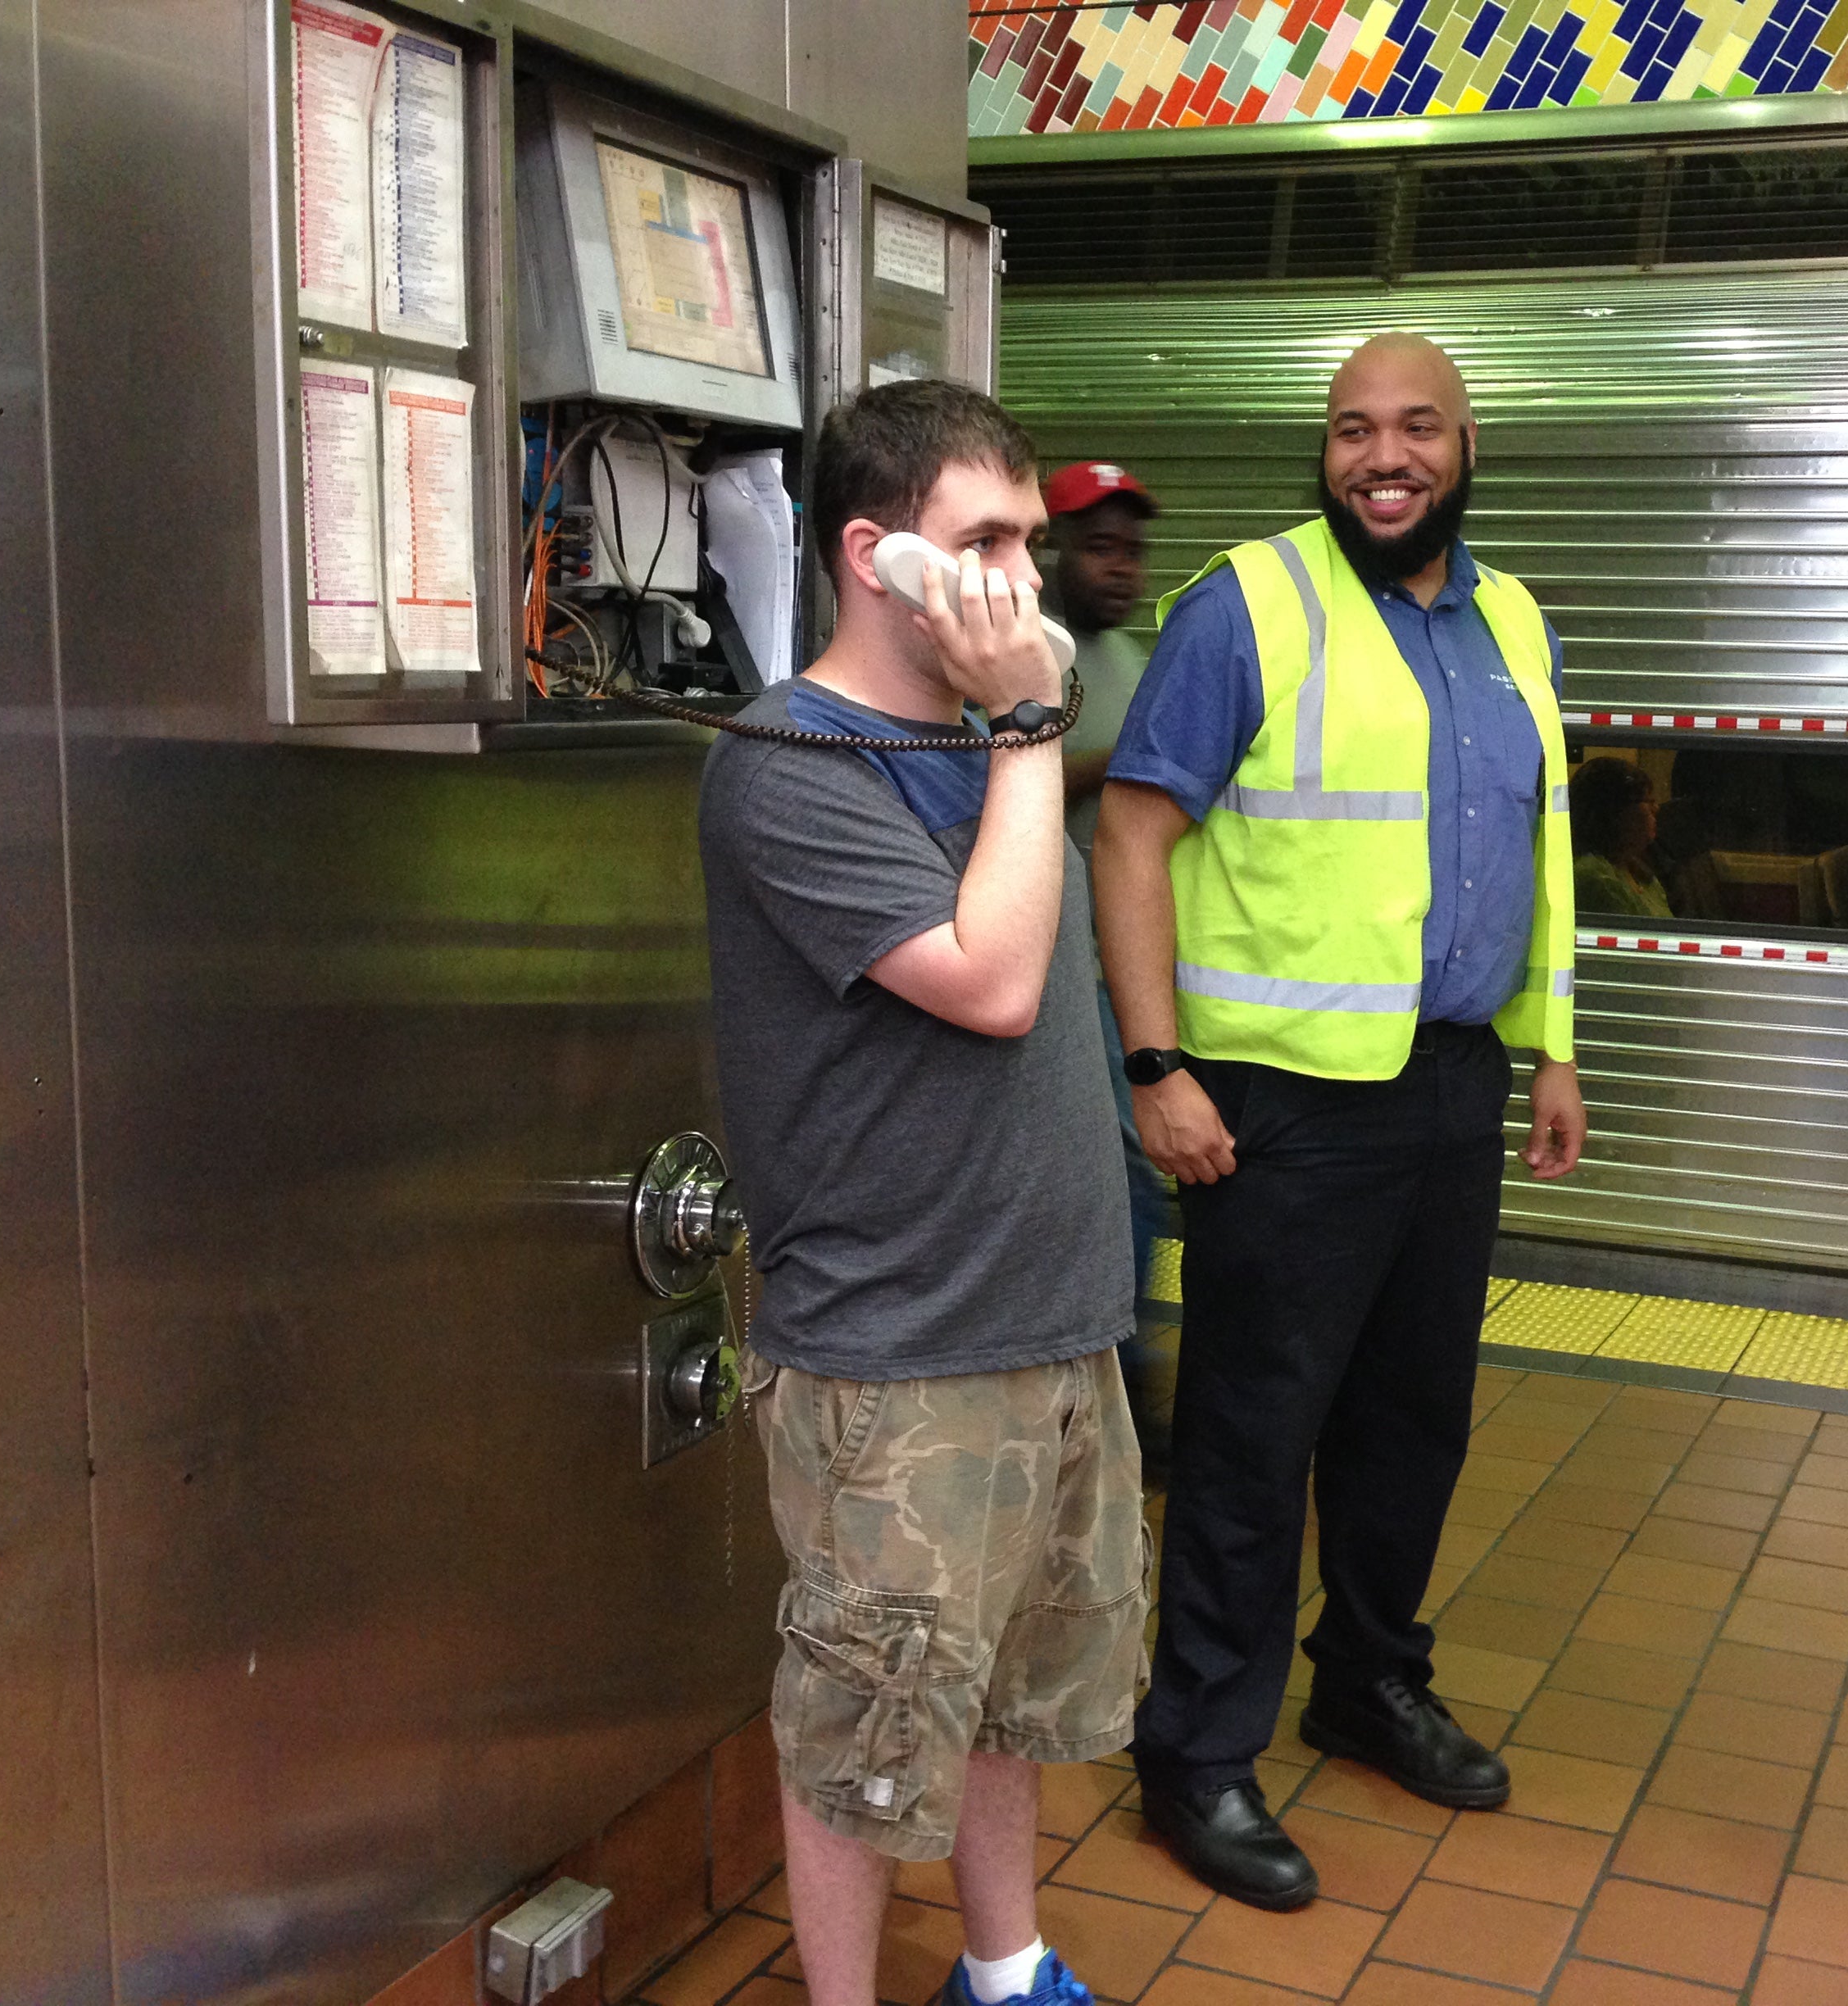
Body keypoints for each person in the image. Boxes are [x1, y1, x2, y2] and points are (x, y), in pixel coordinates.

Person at [1092, 331, 1587, 1911]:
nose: (1384, 455)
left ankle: (1366, 1678)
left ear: (1464, 441)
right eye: (1353, 430)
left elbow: (1543, 842)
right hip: (1277, 1103)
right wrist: (1154, 1063)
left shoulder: (1511, 618)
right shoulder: (1247, 603)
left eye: (1416, 426)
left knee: (1410, 1423)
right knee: (1250, 1438)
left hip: (1448, 1081)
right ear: (1323, 452)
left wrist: (1552, 1043)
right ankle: (1193, 1752)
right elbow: (1128, 831)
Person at [696, 381, 1144, 2006]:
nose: (1026, 582)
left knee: (1011, 1696)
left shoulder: (977, 742)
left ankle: (1005, 1971)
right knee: (866, 1732)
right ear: (875, 558)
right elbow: (991, 980)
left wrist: (1009, 730)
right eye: (989, 542)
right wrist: (1030, 728)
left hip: (1051, 1322)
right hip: (897, 1359)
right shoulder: (787, 765)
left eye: (1031, 538)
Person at [1043, 461, 1173, 1464]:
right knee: (1118, 1166)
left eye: (1132, 550)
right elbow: (988, 781)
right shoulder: (1021, 661)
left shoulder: (1133, 659)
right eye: (1100, 547)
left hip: (1128, 963)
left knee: (1139, 1165)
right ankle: (1114, 1371)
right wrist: (1117, 764)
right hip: (1053, 967)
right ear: (1047, 550)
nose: (1121, 569)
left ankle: (1122, 1361)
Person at [1570, 756, 1673, 920]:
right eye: (1647, 801)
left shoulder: (1637, 870)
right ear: (1615, 811)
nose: (1656, 808)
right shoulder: (1594, 879)